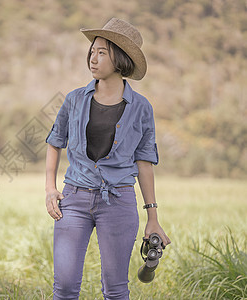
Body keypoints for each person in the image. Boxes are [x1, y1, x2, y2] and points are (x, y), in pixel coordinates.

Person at [44, 18, 171, 300]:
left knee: (115, 290)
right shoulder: (74, 99)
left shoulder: (141, 108)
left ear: (120, 59)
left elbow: (144, 162)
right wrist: (51, 189)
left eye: (102, 52)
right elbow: (55, 142)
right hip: (74, 200)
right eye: (92, 51)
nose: (93, 57)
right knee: (64, 288)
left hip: (119, 202)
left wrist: (153, 218)